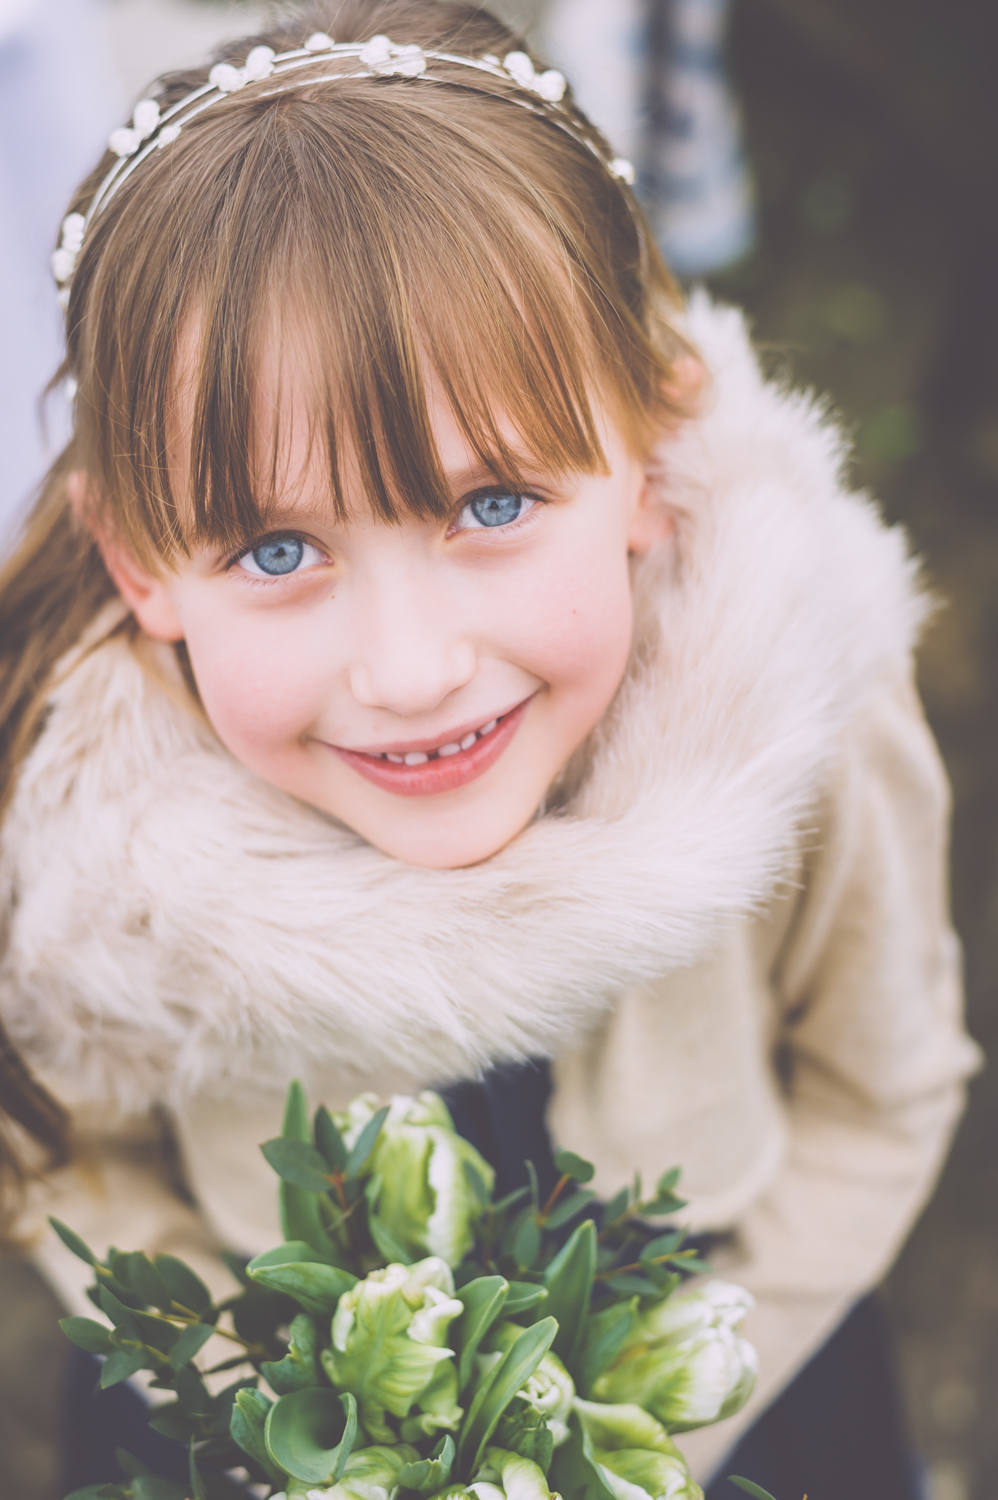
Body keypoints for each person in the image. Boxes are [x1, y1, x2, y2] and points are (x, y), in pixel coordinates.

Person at [0, 1, 978, 1495]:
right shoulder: (76, 830)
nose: (409, 671)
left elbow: (877, 1094)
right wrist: (279, 1428)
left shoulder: (802, 722)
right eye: (275, 548)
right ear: (140, 566)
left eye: (492, 505)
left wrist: (636, 1439)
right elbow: (73, 1163)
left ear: (647, 457)